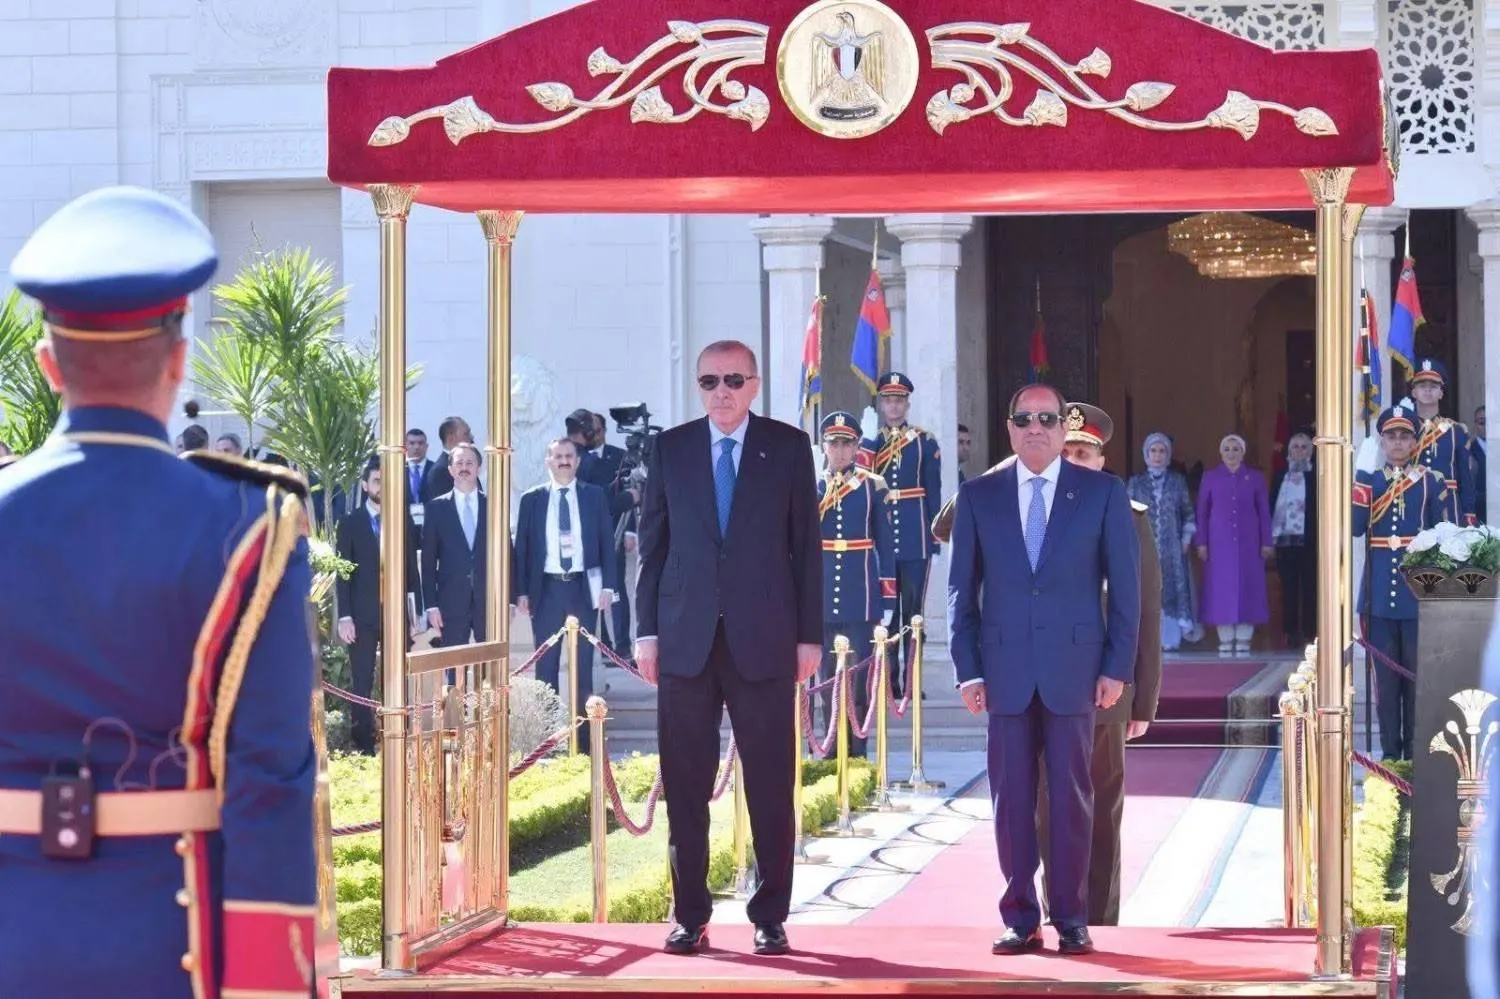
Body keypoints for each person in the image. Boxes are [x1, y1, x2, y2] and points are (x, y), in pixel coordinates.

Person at [0, 186, 318, 997]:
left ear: (48, 365)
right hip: (173, 945)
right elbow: (271, 779)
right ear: (179, 361)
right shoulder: (252, 522)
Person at [635, 340, 821, 957]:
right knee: (685, 786)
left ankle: (770, 914)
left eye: (733, 379)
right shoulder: (670, 448)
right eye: (710, 379)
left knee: (769, 783)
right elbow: (653, 547)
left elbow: (806, 549)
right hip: (685, 643)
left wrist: (809, 636)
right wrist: (646, 632)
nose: (722, 390)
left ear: (755, 384)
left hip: (765, 640)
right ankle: (689, 913)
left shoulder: (788, 448)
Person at [948, 384, 1140, 956]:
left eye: (1047, 418)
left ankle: (1072, 914)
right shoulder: (978, 495)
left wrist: (1117, 668)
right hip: (1004, 671)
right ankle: (1019, 914)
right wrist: (968, 669)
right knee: (1011, 799)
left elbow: (1126, 591)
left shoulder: (1102, 493)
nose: (1036, 427)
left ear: (1062, 430)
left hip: (1075, 672)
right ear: (1009, 430)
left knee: (1072, 797)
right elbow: (962, 591)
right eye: (1024, 418)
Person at [1037, 402, 1162, 927]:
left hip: (1104, 689)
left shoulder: (1127, 517)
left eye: (1082, 453)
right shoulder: (1028, 507)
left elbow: (1145, 611)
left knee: (1102, 807)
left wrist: (1142, 695)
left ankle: (1101, 917)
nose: (1073, 461)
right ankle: (1055, 910)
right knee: (1047, 806)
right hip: (1042, 684)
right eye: (1064, 452)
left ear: (1101, 459)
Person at [1354, 404, 1451, 761]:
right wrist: (1361, 478)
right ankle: (1391, 756)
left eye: (1404, 436)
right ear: (1381, 441)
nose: (1397, 442)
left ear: (1415, 442)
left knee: (1415, 681)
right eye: (1390, 436)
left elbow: (1446, 537)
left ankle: (1415, 756)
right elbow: (1354, 527)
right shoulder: (1372, 480)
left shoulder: (1430, 481)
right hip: (1379, 599)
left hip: (1418, 597)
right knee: (1386, 684)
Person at [513, 438, 617, 751]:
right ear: (548, 460)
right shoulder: (532, 499)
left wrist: (609, 587)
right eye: (557, 456)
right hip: (546, 589)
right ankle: (549, 741)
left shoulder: (593, 496)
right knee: (545, 668)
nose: (563, 461)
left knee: (582, 667)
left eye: (569, 456)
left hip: (583, 589)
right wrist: (520, 592)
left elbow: (605, 542)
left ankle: (583, 743)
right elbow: (523, 550)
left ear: (577, 460)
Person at [815, 410, 896, 757]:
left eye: (847, 443)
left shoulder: (873, 485)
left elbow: (885, 544)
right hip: (819, 599)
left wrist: (889, 597)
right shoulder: (812, 486)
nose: (841, 450)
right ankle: (828, 748)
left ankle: (858, 751)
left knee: (859, 678)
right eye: (834, 443)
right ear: (824, 446)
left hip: (861, 598)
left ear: (857, 446)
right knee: (825, 679)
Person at [857, 372, 941, 699]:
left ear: (907, 404)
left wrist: (935, 534)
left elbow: (933, 492)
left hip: (916, 534)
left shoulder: (924, 442)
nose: (894, 406)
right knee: (888, 611)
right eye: (888, 400)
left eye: (899, 400)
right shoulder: (871, 442)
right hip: (883, 538)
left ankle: (912, 682)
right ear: (881, 404)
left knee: (914, 613)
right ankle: (889, 680)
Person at [336, 457, 421, 754]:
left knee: (398, 678)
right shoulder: (349, 523)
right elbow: (343, 575)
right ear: (364, 485)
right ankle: (363, 746)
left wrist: (414, 615)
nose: (381, 486)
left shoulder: (402, 519)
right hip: (361, 616)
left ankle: (399, 739)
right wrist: (344, 616)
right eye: (375, 480)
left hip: (397, 615)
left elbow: (412, 571)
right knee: (362, 679)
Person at [1196, 434, 1273, 655]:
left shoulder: (1255, 478)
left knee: (1248, 588)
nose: (1231, 453)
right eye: (1227, 449)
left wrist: (1266, 541)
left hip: (1250, 544)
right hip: (1219, 545)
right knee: (1221, 590)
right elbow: (1202, 512)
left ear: (1243, 452)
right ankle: (1225, 640)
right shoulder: (1210, 477)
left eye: (1236, 449)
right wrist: (1201, 541)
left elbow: (1264, 512)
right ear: (1221, 453)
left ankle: (1243, 641)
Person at [1127, 432, 1198, 651]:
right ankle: (1146, 639)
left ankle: (1170, 638)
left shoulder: (1177, 482)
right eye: (1153, 451)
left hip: (1172, 549)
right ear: (1146, 454)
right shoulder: (1136, 483)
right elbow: (1125, 514)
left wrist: (1186, 538)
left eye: (1162, 451)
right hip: (1144, 547)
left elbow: (1188, 513)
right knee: (1146, 590)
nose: (1157, 455)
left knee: (1171, 589)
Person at [422, 441, 488, 646]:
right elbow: (428, 561)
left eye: (470, 463)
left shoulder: (494, 504)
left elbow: (507, 555)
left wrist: (510, 600)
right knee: (453, 668)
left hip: (488, 601)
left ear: (478, 468)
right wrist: (431, 605)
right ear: (450, 470)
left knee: (489, 667)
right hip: (450, 602)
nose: (464, 468)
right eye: (459, 463)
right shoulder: (436, 508)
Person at [1407, 358, 1476, 525]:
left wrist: (1469, 513)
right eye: (1422, 386)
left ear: (1441, 393)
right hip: (1414, 503)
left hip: (1449, 507)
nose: (1428, 391)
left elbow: (1465, 478)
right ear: (1413, 392)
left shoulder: (1456, 431)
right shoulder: (1405, 431)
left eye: (1433, 386)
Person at [1269, 431, 1319, 649]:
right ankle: (1290, 632)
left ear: (1311, 450)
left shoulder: (1317, 474)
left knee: (1310, 588)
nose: (1299, 451)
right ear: (1289, 451)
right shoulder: (1281, 475)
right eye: (1295, 447)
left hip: (1309, 541)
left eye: (1304, 447)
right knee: (1288, 589)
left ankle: (1310, 632)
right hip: (1285, 541)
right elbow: (1273, 503)